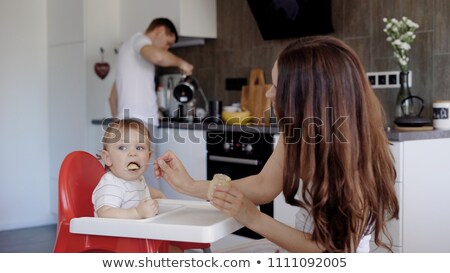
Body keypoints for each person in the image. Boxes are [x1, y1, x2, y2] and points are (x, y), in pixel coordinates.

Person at [154, 36, 400, 253]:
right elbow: (263, 185)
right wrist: (190, 185)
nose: (269, 94)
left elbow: (328, 249)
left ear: (308, 97)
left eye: (278, 87)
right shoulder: (295, 133)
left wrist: (252, 217)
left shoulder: (352, 164)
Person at [109, 18, 194, 126]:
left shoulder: (126, 49)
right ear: (160, 30)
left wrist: (118, 126)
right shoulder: (139, 39)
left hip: (126, 122)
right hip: (142, 120)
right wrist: (181, 63)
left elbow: (112, 99)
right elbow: (158, 57)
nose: (166, 49)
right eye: (168, 43)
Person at [92, 118, 165, 219]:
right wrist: (137, 213)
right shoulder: (111, 184)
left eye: (139, 148)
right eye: (122, 148)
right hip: (112, 234)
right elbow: (105, 213)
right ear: (108, 158)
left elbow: (140, 189)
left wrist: (160, 196)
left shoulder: (139, 180)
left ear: (148, 157)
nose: (133, 153)